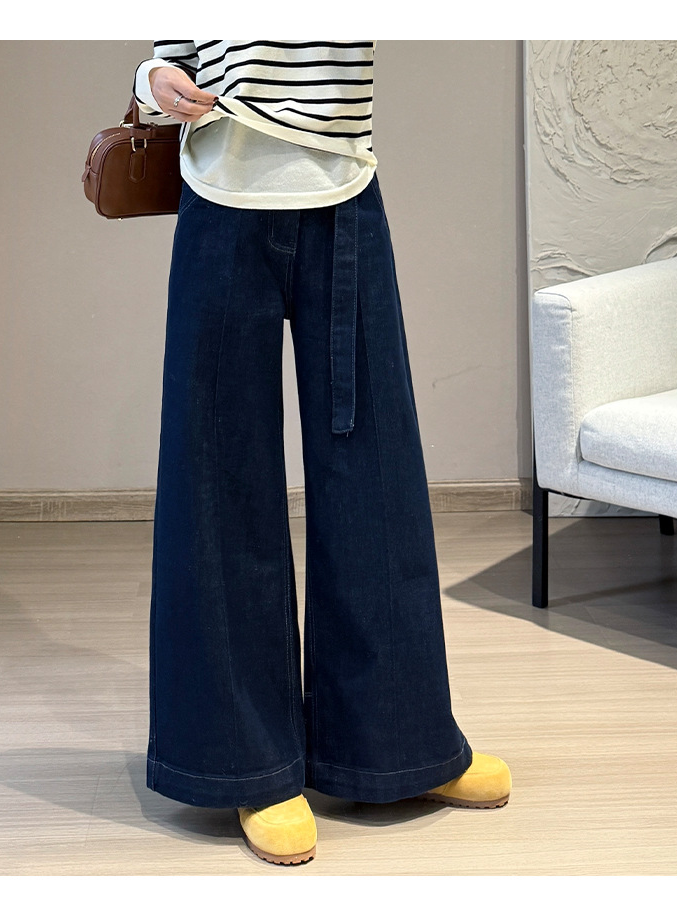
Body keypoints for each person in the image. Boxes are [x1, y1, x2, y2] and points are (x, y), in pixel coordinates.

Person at [133, 40, 511, 866]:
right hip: (220, 195)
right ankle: (249, 764)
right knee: (218, 478)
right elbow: (167, 54)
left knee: (377, 474)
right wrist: (155, 82)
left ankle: (399, 745)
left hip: (344, 187)